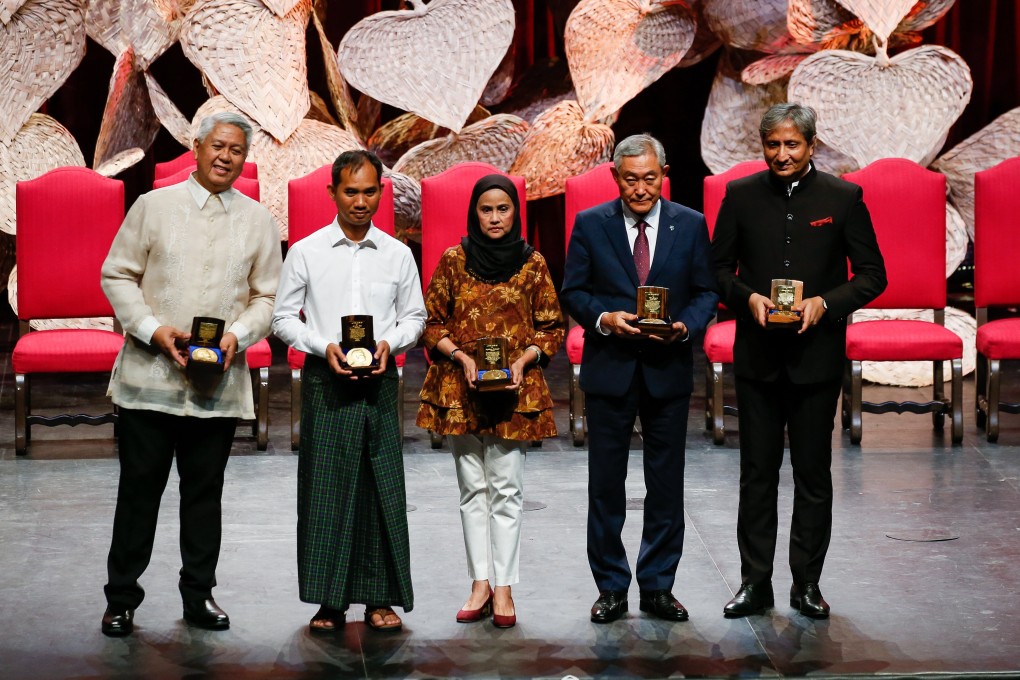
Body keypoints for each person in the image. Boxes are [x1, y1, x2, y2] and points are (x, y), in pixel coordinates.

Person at [99, 112, 282, 636]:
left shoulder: (258, 220)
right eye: (218, 147)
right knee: (138, 493)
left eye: (237, 151)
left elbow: (267, 296)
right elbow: (117, 274)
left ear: (245, 160)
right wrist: (154, 330)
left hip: (215, 383)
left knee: (205, 494)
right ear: (196, 147)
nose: (226, 157)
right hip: (148, 380)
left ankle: (199, 596)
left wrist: (238, 336)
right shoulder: (153, 207)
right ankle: (121, 600)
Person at [712, 103, 886, 619]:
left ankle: (806, 584)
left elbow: (872, 275)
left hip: (816, 359)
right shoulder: (740, 196)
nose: (782, 155)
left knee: (813, 474)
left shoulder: (843, 197)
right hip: (759, 359)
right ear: (762, 147)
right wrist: (746, 299)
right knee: (756, 474)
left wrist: (825, 303)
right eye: (773, 145)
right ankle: (754, 584)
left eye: (792, 145)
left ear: (811, 145)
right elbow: (718, 269)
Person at [561, 134, 719, 623]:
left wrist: (686, 326)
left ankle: (657, 586)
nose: (641, 188)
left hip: (666, 371)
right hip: (611, 369)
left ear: (663, 175)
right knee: (605, 487)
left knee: (666, 486)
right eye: (631, 179)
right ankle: (611, 586)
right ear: (615, 178)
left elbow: (706, 292)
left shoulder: (689, 225)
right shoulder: (591, 225)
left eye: (650, 178)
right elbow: (574, 292)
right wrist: (605, 319)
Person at [272, 150, 426, 634]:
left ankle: (380, 598)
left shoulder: (398, 254)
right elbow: (282, 319)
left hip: (380, 375)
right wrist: (322, 346)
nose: (361, 202)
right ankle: (329, 602)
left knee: (382, 485)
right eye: (351, 191)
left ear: (382, 192)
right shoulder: (307, 251)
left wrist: (389, 343)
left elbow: (415, 319)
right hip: (326, 376)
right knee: (327, 487)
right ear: (333, 193)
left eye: (369, 191)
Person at [416, 175, 564, 629]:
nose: (495, 218)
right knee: (472, 490)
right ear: (474, 213)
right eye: (486, 209)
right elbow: (431, 322)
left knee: (506, 489)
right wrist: (459, 357)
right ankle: (479, 582)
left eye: (503, 209)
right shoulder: (454, 261)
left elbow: (552, 327)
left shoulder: (533, 263)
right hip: (462, 390)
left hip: (513, 393)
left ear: (515, 212)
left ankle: (504, 587)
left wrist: (524, 360)